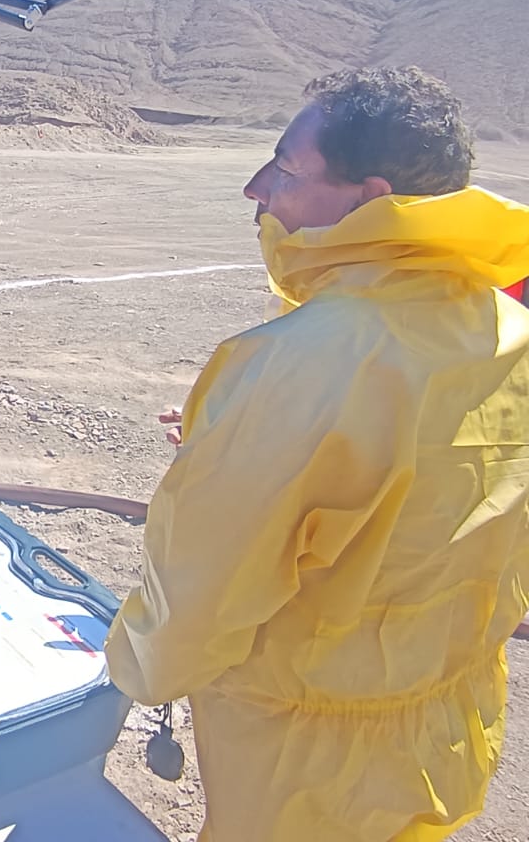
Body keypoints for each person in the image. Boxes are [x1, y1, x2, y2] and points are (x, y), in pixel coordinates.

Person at [104, 66, 529, 842]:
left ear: (371, 199)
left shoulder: (299, 359)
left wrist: (137, 664)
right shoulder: (510, 332)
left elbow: (201, 588)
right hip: (448, 727)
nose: (256, 189)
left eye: (286, 169)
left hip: (307, 768)